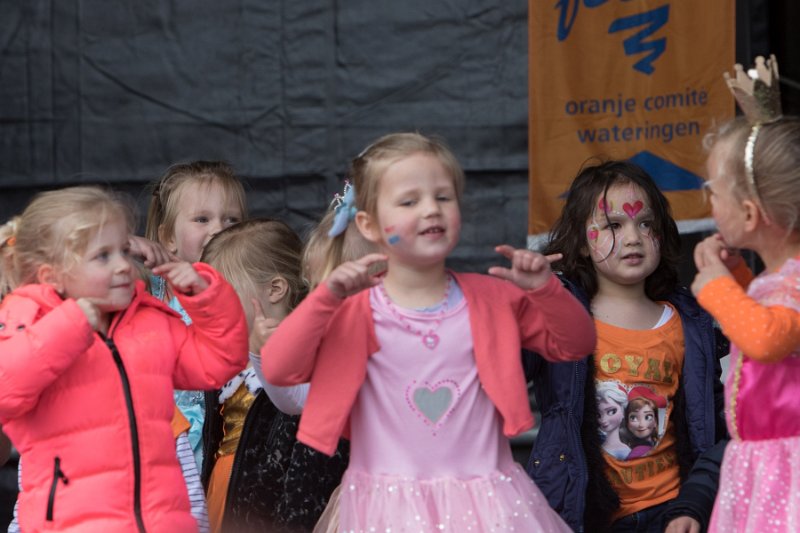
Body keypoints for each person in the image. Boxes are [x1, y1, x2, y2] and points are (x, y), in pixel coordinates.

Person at [260, 132, 595, 532]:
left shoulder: (494, 299)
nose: (430, 210)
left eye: (443, 197)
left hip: (488, 509)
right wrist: (323, 299)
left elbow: (577, 343)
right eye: (409, 201)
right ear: (368, 223)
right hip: (386, 513)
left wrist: (546, 290)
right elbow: (278, 368)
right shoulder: (353, 312)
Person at [0, 186, 248, 531]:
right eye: (102, 256)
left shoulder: (148, 320)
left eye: (123, 251)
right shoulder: (27, 318)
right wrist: (69, 325)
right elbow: (6, 388)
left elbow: (221, 361)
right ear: (50, 275)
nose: (122, 266)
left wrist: (200, 292)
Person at [524, 160, 728, 532]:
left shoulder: (688, 322)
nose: (633, 237)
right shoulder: (560, 315)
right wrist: (527, 303)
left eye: (645, 223)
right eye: (613, 225)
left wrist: (695, 502)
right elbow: (510, 372)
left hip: (671, 512)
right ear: (583, 244)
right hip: (583, 513)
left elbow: (715, 420)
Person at [690, 57, 800, 531]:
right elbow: (764, 314)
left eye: (713, 191)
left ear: (751, 213)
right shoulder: (777, 277)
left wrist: (716, 290)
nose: (707, 200)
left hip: (790, 468)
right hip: (764, 463)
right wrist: (734, 273)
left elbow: (769, 338)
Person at [200, 218, 348, 533]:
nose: (210, 307)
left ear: (276, 289)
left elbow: (307, 474)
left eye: (221, 295)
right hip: (223, 502)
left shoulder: (308, 360)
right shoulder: (226, 362)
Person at [145, 160, 247, 469]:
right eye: (202, 219)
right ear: (168, 238)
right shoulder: (150, 292)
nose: (218, 229)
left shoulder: (243, 292)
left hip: (224, 447)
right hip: (160, 445)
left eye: (232, 220)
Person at [596, 381, 630, 460]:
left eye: (611, 412)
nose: (603, 420)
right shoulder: (595, 446)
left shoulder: (625, 452)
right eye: (598, 415)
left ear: (623, 412)